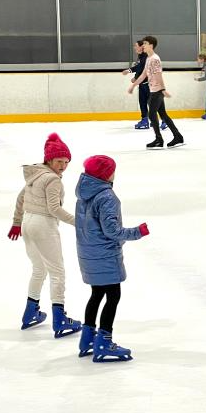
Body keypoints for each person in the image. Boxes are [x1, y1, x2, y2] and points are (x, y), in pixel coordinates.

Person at [75, 155, 149, 362]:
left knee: (96, 294)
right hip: (105, 255)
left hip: (88, 253)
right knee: (113, 296)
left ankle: (87, 338)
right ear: (106, 174)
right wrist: (137, 232)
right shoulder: (106, 196)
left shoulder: (84, 194)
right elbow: (112, 231)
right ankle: (104, 341)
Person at [8, 133, 81, 338]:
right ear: (49, 159)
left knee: (39, 269)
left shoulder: (36, 174)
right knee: (57, 271)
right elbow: (54, 209)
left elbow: (21, 198)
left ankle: (30, 312)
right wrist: (79, 223)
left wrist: (16, 223)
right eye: (59, 161)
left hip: (28, 224)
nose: (63, 165)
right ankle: (60, 319)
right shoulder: (52, 180)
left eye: (66, 162)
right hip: (43, 225)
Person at [129, 35, 184, 149]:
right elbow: (144, 74)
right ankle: (177, 136)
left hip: (157, 90)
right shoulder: (149, 58)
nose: (143, 46)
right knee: (162, 114)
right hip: (153, 89)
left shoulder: (154, 59)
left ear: (151, 45)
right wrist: (133, 85)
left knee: (152, 114)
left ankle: (159, 139)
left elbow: (159, 75)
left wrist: (163, 90)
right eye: (143, 44)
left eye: (145, 43)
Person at [122, 40, 161, 131]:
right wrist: (135, 77)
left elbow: (140, 68)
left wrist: (129, 71)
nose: (134, 47)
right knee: (143, 103)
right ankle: (145, 120)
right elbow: (140, 70)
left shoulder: (146, 56)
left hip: (149, 84)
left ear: (141, 47)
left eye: (136, 46)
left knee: (152, 104)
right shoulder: (140, 57)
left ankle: (163, 120)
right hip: (142, 84)